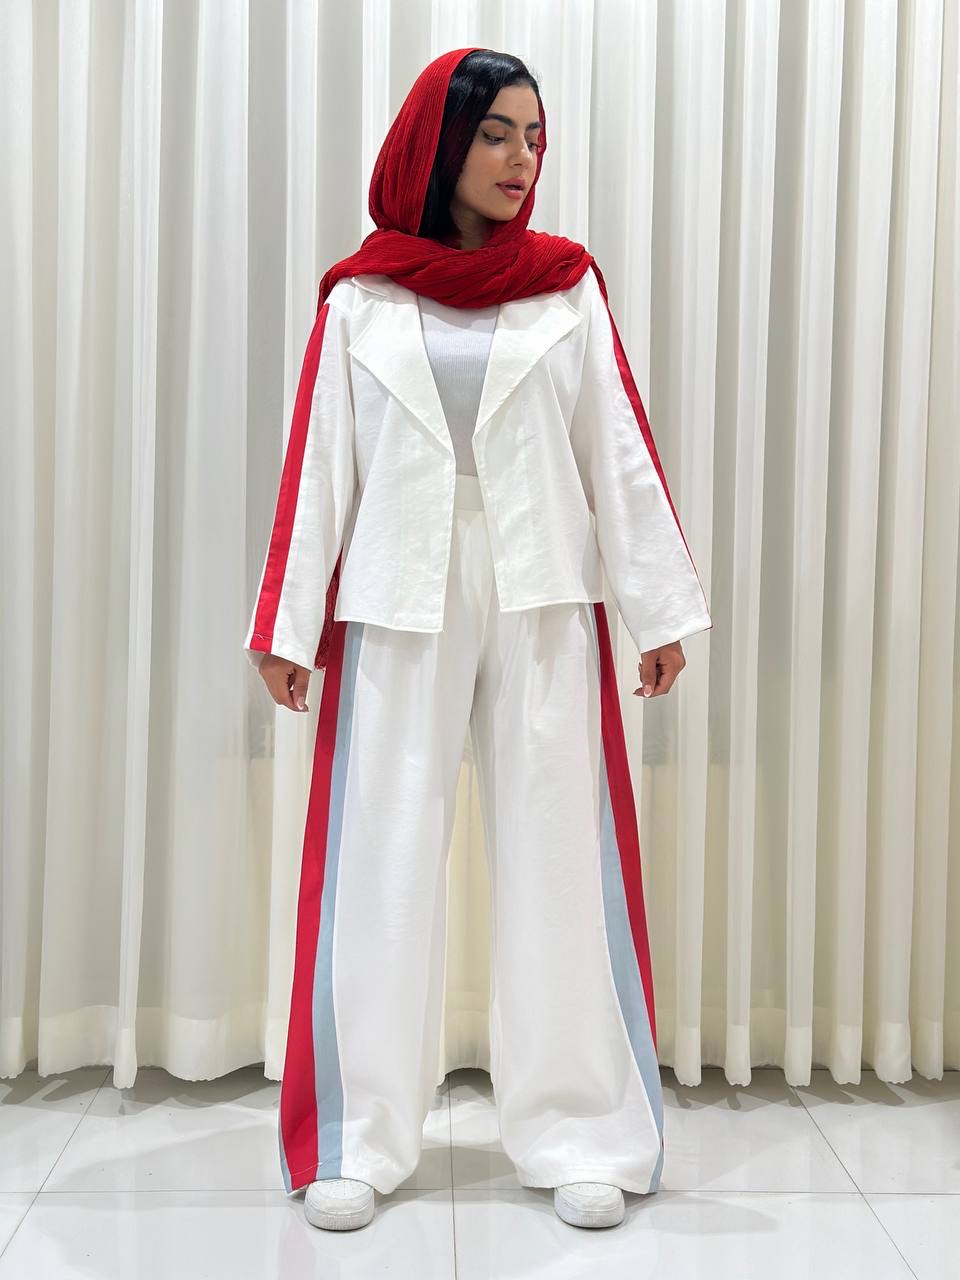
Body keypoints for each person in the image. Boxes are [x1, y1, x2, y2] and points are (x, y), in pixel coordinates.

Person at [243, 47, 712, 1233]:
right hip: (396, 588)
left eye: (534, 136)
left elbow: (617, 447)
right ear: (439, 142)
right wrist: (288, 623)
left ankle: (583, 1127)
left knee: (559, 857)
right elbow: (319, 467)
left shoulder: (565, 287)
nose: (520, 158)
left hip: (543, 587)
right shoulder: (360, 297)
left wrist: (657, 608)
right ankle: (357, 1132)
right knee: (378, 858)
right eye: (497, 132)